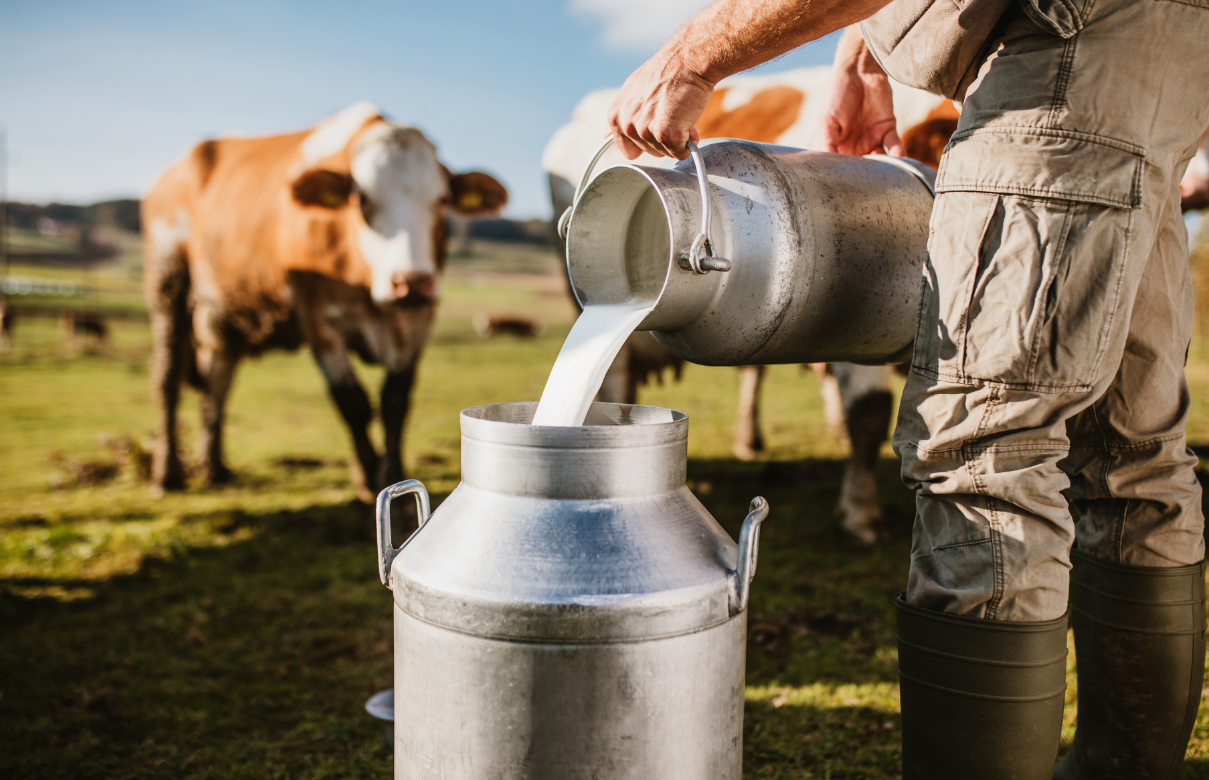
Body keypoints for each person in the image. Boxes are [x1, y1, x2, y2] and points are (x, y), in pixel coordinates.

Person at [607, 1, 1209, 778]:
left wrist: (686, 59)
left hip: (1055, 59)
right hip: (1156, 55)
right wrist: (860, 58)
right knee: (1128, 451)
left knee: (985, 454)